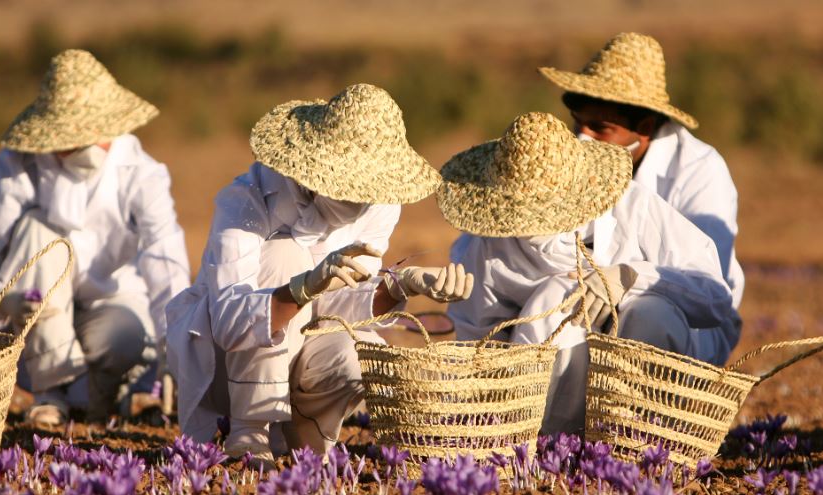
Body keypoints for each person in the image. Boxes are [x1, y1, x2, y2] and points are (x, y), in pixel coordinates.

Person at [166, 83, 473, 467]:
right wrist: (301, 288)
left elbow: (346, 310)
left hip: (307, 354)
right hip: (228, 365)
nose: (363, 197)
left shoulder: (381, 206)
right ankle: (250, 429)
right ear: (311, 172)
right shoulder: (247, 201)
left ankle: (305, 434)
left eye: (373, 186)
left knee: (360, 349)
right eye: (350, 184)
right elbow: (229, 323)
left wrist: (401, 284)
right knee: (285, 254)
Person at [440, 112, 735, 434]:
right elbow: (478, 343)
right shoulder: (486, 245)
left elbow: (714, 297)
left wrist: (630, 277)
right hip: (540, 392)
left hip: (646, 359)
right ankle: (550, 444)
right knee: (555, 296)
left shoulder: (633, 206)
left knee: (653, 313)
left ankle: (639, 441)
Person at [0, 49, 190, 427]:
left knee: (123, 339)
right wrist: (3, 299)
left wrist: (176, 351)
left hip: (109, 308)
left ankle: (103, 398)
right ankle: (50, 394)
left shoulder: (142, 174)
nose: (87, 146)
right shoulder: (20, 165)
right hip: (34, 323)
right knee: (39, 231)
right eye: (72, 138)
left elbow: (164, 260)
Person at [539, 32, 743, 357]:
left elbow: (705, 286)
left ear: (645, 127)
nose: (582, 138)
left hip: (689, 325)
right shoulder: (566, 163)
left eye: (600, 128)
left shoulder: (700, 170)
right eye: (578, 124)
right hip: (594, 309)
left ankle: (640, 409)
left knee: (649, 316)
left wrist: (627, 276)